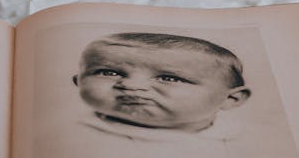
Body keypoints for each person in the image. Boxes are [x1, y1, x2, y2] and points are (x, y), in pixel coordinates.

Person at [72, 32, 251, 137]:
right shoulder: (76, 132)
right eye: (109, 73)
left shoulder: (240, 144)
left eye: (169, 78)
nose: (132, 85)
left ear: (230, 98)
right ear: (78, 82)